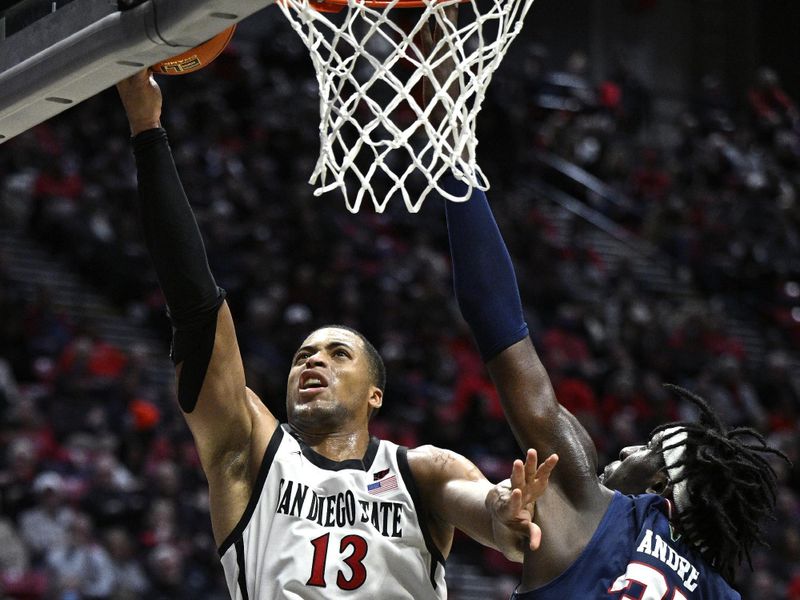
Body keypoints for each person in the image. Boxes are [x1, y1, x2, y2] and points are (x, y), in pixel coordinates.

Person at [114, 70, 556, 600]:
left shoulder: (421, 472)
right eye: (303, 355)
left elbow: (488, 514)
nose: (312, 362)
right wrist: (148, 129)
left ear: (376, 394)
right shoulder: (253, 453)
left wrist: (504, 514)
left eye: (337, 353)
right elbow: (195, 308)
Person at [442, 175, 791, 598]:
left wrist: (457, 171)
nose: (627, 450)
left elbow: (492, 314)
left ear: (660, 488)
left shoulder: (591, 508)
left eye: (649, 449)